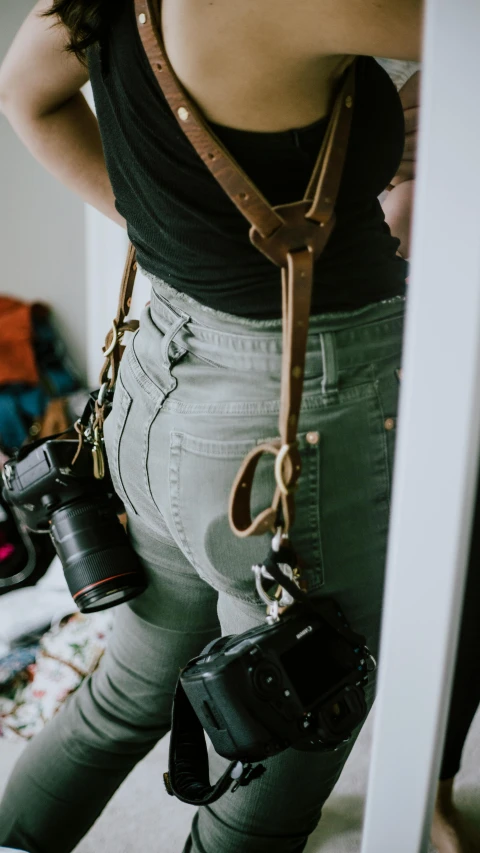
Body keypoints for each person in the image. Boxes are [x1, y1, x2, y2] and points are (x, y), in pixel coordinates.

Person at [0, 1, 441, 852]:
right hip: (292, 425)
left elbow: (25, 94)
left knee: (124, 694)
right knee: (288, 738)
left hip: (159, 386)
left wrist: (182, 236)